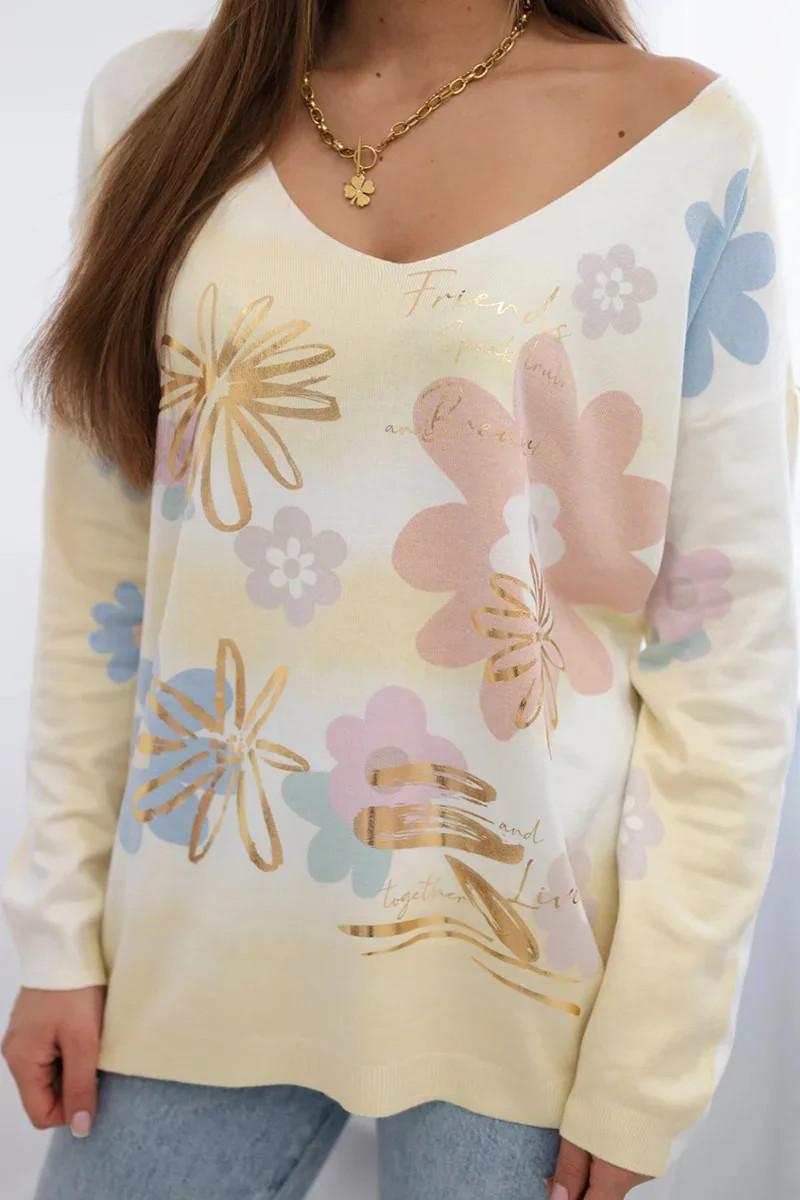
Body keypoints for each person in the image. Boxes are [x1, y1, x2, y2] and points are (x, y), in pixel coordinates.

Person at [2, 1, 797, 1197]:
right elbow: (101, 572)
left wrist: (654, 1052)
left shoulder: (679, 141)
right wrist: (59, 930)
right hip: (201, 935)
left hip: (523, 966)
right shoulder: (156, 108)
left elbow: (725, 646)